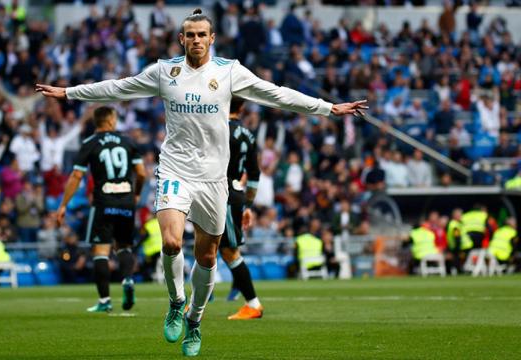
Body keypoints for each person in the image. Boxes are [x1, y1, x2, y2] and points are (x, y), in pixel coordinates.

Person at [36, 9, 366, 356]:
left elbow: (277, 94)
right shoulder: (166, 72)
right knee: (171, 242)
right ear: (182, 38)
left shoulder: (229, 72)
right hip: (175, 170)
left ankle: (195, 319)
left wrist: (328, 108)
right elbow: (119, 87)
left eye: (201, 35)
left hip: (214, 178)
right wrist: (69, 93)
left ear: (211, 38)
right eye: (189, 34)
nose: (195, 40)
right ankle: (176, 301)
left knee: (208, 255)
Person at [54, 106, 146, 313]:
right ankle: (128, 280)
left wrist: (63, 205)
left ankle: (105, 300)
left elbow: (76, 176)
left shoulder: (90, 143)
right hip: (126, 202)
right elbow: (141, 173)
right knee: (123, 247)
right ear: (111, 121)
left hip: (104, 201)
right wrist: (137, 193)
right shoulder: (128, 141)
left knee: (101, 251)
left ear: (96, 122)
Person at [219, 98, 263, 320]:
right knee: (208, 246)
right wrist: (247, 204)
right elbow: (254, 175)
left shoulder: (219, 128)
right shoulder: (248, 134)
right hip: (234, 193)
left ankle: (253, 304)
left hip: (221, 192)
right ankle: (195, 303)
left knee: (228, 251)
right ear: (242, 108)